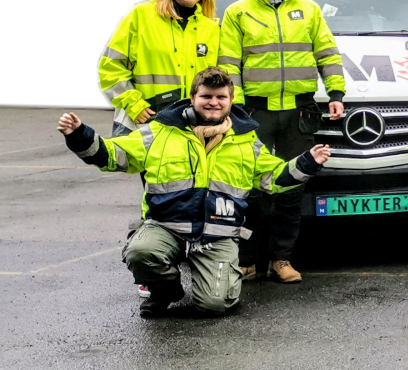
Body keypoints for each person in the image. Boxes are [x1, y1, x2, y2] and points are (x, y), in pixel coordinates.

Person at [57, 67, 330, 317]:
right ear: (192, 98)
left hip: (217, 236)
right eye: (206, 96)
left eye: (221, 97)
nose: (213, 102)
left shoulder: (246, 141)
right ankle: (165, 291)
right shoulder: (159, 133)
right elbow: (112, 155)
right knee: (140, 252)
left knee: (214, 305)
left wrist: (307, 162)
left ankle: (216, 285)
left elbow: (274, 177)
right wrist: (80, 135)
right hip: (166, 227)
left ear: (231, 100)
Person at [218, 0, 345, 284]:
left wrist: (335, 93)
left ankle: (281, 260)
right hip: (255, 113)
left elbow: (327, 53)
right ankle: (247, 260)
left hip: (298, 112)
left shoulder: (308, 9)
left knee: (292, 186)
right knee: (250, 188)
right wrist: (235, 109)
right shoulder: (237, 12)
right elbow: (229, 64)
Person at [98, 0, 222, 136]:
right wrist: (134, 104)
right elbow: (110, 67)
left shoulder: (211, 28)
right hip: (142, 122)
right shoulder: (140, 15)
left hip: (191, 125)